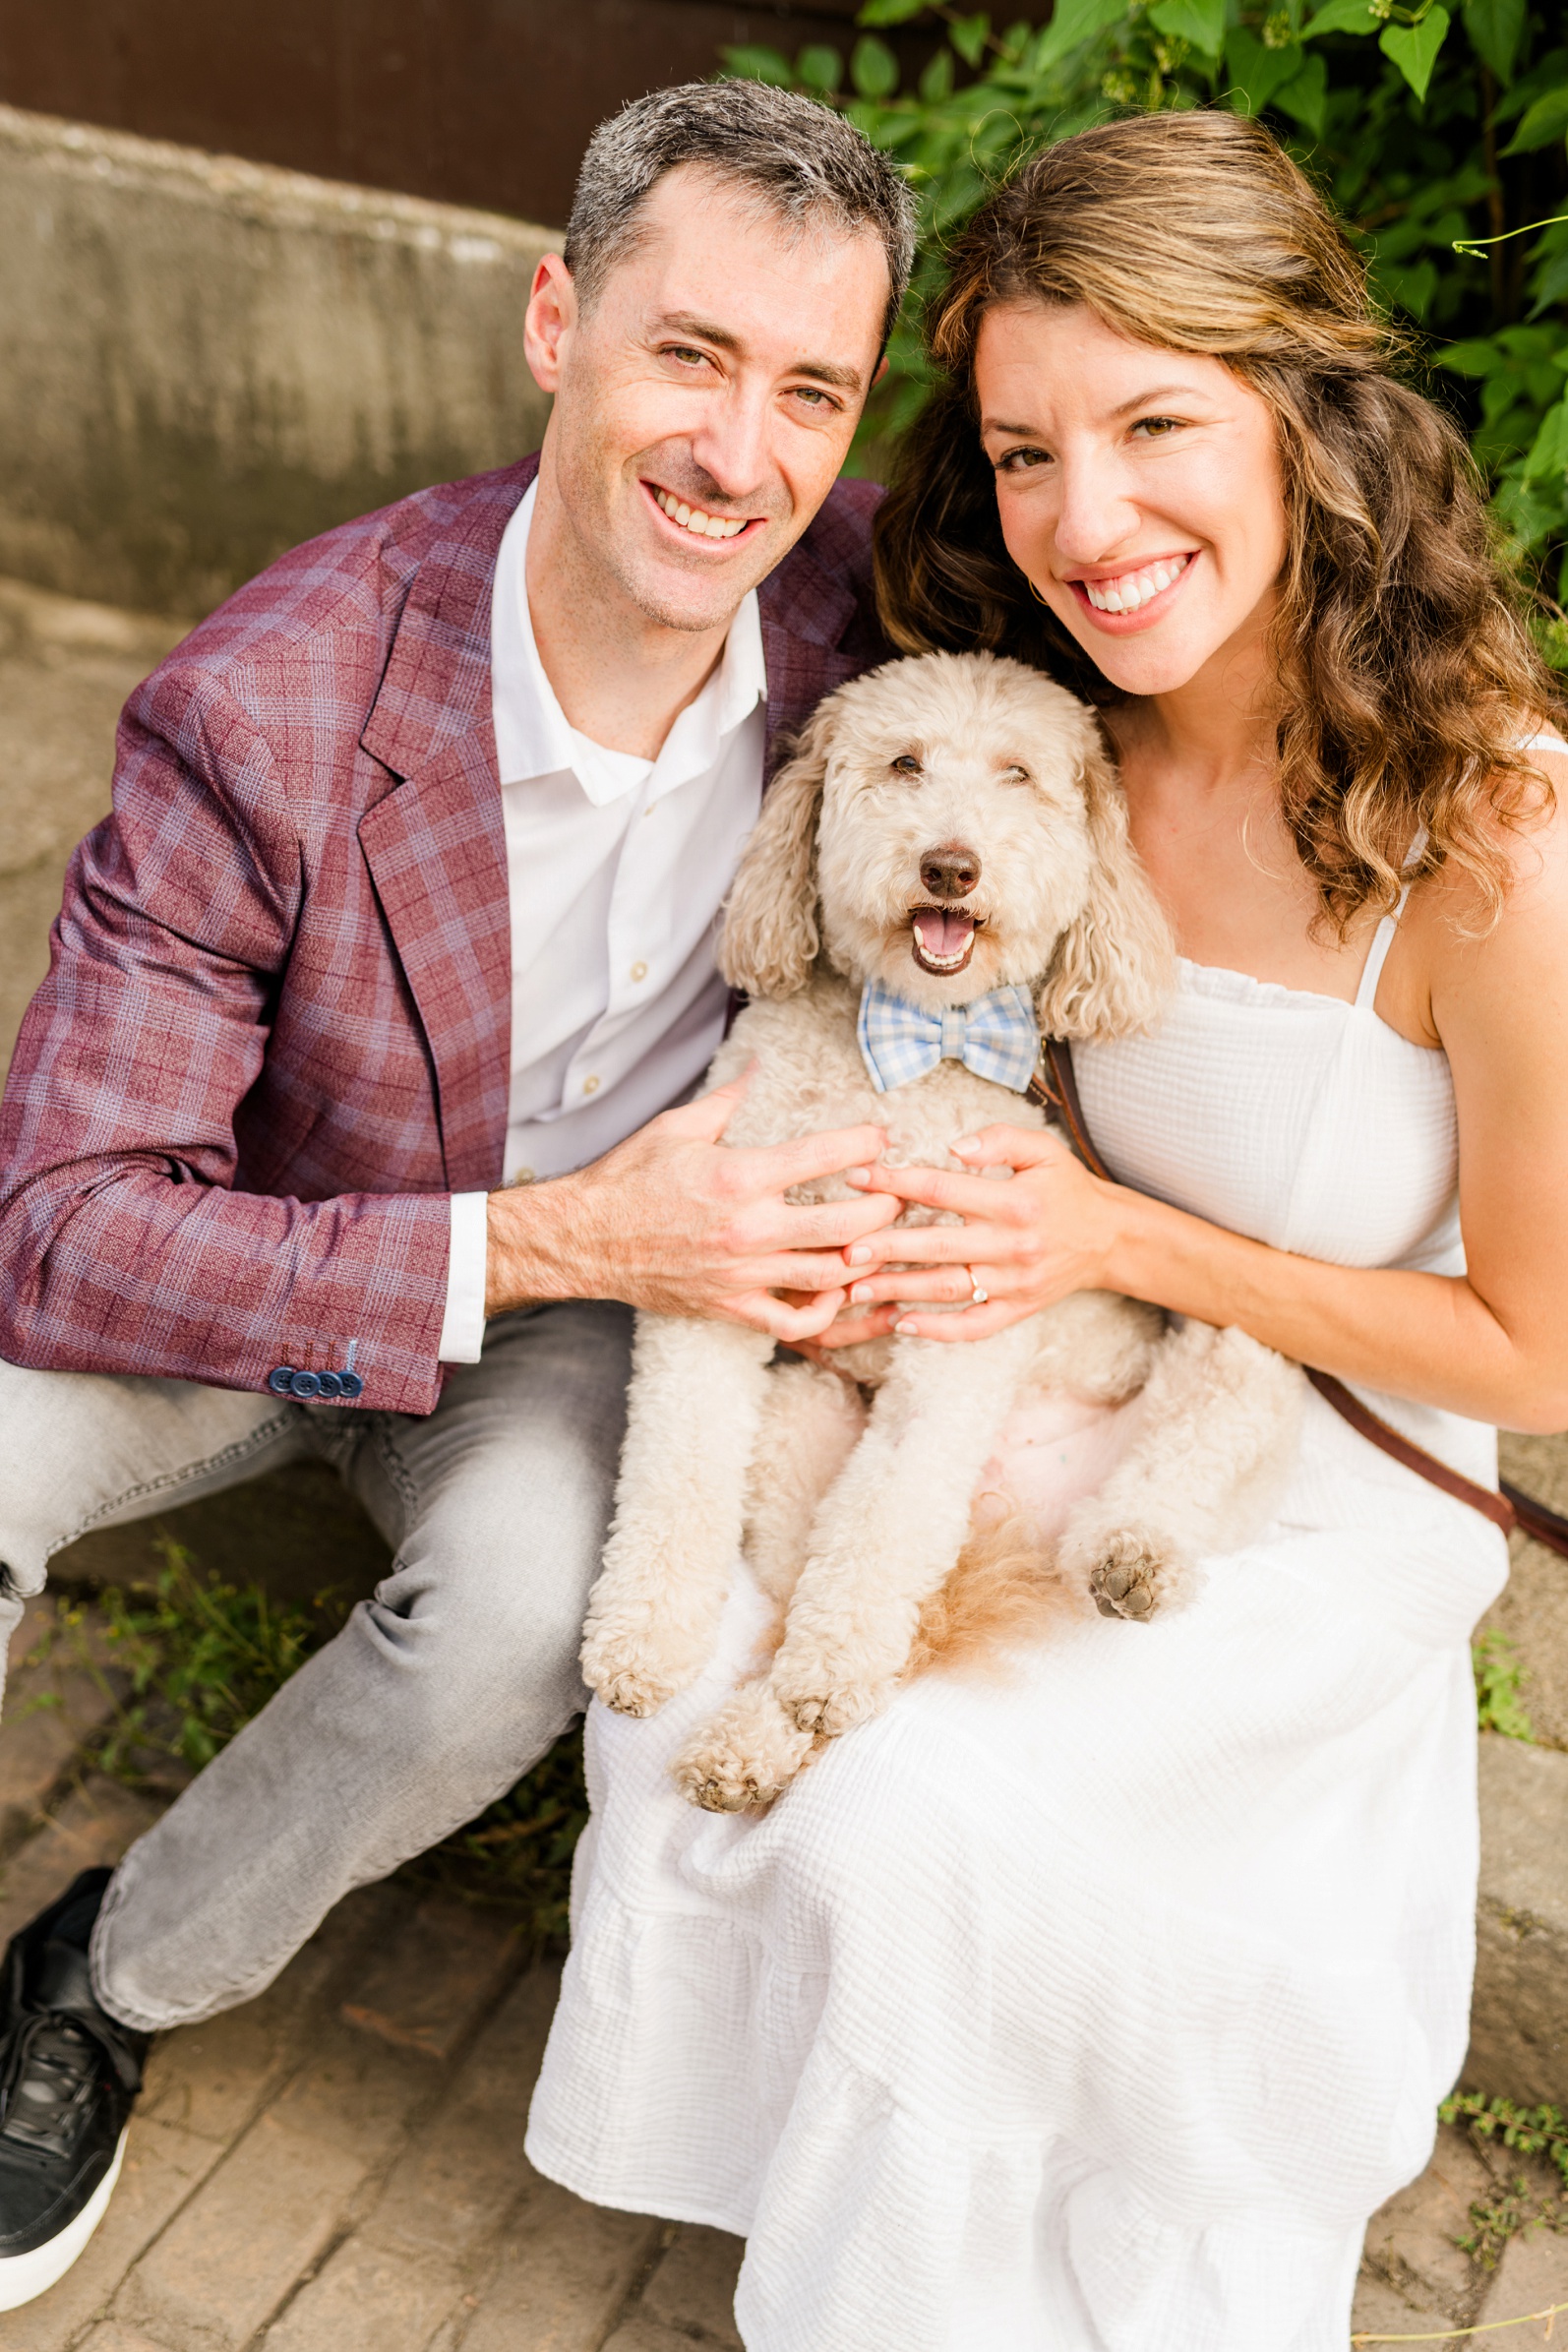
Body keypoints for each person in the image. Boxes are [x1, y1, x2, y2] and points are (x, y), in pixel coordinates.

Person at [523, 111, 1568, 2351]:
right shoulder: (1039, 726)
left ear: (1300, 412)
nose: (1083, 522)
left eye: (1153, 425)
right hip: (995, 1355)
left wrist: (1115, 1242)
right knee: (683, 1678)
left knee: (907, 1817)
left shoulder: (1490, 836)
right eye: (1020, 451)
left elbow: (1535, 1355)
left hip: (1306, 1461)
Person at [0, 81, 916, 2307]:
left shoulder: (861, 620)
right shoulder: (272, 700)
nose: (739, 452)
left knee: (517, 1616)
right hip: (247, 1258)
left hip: (575, 1340)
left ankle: (103, 1980)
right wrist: (540, 1237)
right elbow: (61, 1223)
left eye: (809, 389)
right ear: (552, 324)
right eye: (687, 354)